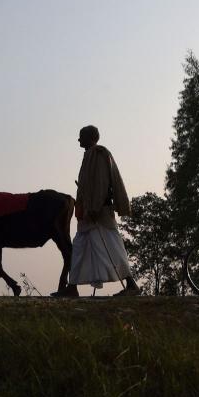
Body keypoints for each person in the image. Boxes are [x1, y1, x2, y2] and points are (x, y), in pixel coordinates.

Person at [64, 125, 140, 296]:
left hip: (98, 214)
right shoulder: (90, 155)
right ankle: (72, 287)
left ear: (90, 137)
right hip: (88, 215)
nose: (78, 140)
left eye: (81, 136)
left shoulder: (98, 154)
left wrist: (95, 207)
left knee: (112, 248)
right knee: (79, 248)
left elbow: (101, 183)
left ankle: (131, 284)